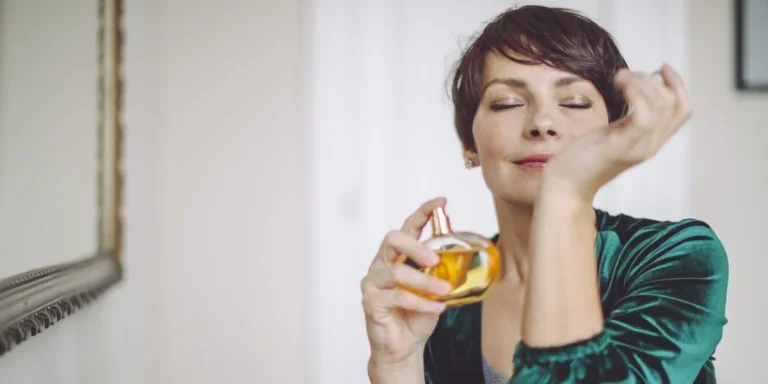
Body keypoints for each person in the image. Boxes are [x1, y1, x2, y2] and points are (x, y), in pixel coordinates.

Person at [359, 5, 729, 384]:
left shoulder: (678, 257)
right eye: (508, 103)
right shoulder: (444, 297)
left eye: (574, 102)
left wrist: (565, 191)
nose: (542, 123)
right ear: (469, 143)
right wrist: (396, 365)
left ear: (614, 129)